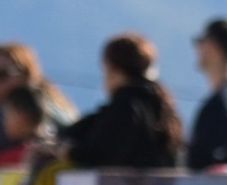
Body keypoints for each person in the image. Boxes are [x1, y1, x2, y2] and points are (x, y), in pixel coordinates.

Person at [63, 33, 183, 170]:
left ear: (110, 67)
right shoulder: (164, 107)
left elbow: (99, 155)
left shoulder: (125, 106)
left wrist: (68, 152)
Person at [187, 19, 227, 171]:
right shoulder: (216, 102)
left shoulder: (219, 104)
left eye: (199, 41)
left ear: (211, 46)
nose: (197, 48)